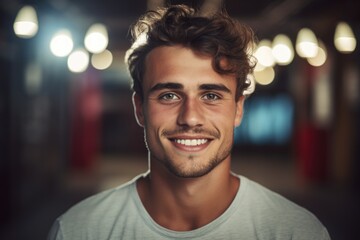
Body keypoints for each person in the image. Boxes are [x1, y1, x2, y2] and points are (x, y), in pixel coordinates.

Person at [48, 4, 330, 240]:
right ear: (140, 108)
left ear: (238, 109)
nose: (190, 117)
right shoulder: (78, 231)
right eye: (169, 95)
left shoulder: (296, 233)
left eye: (211, 95)